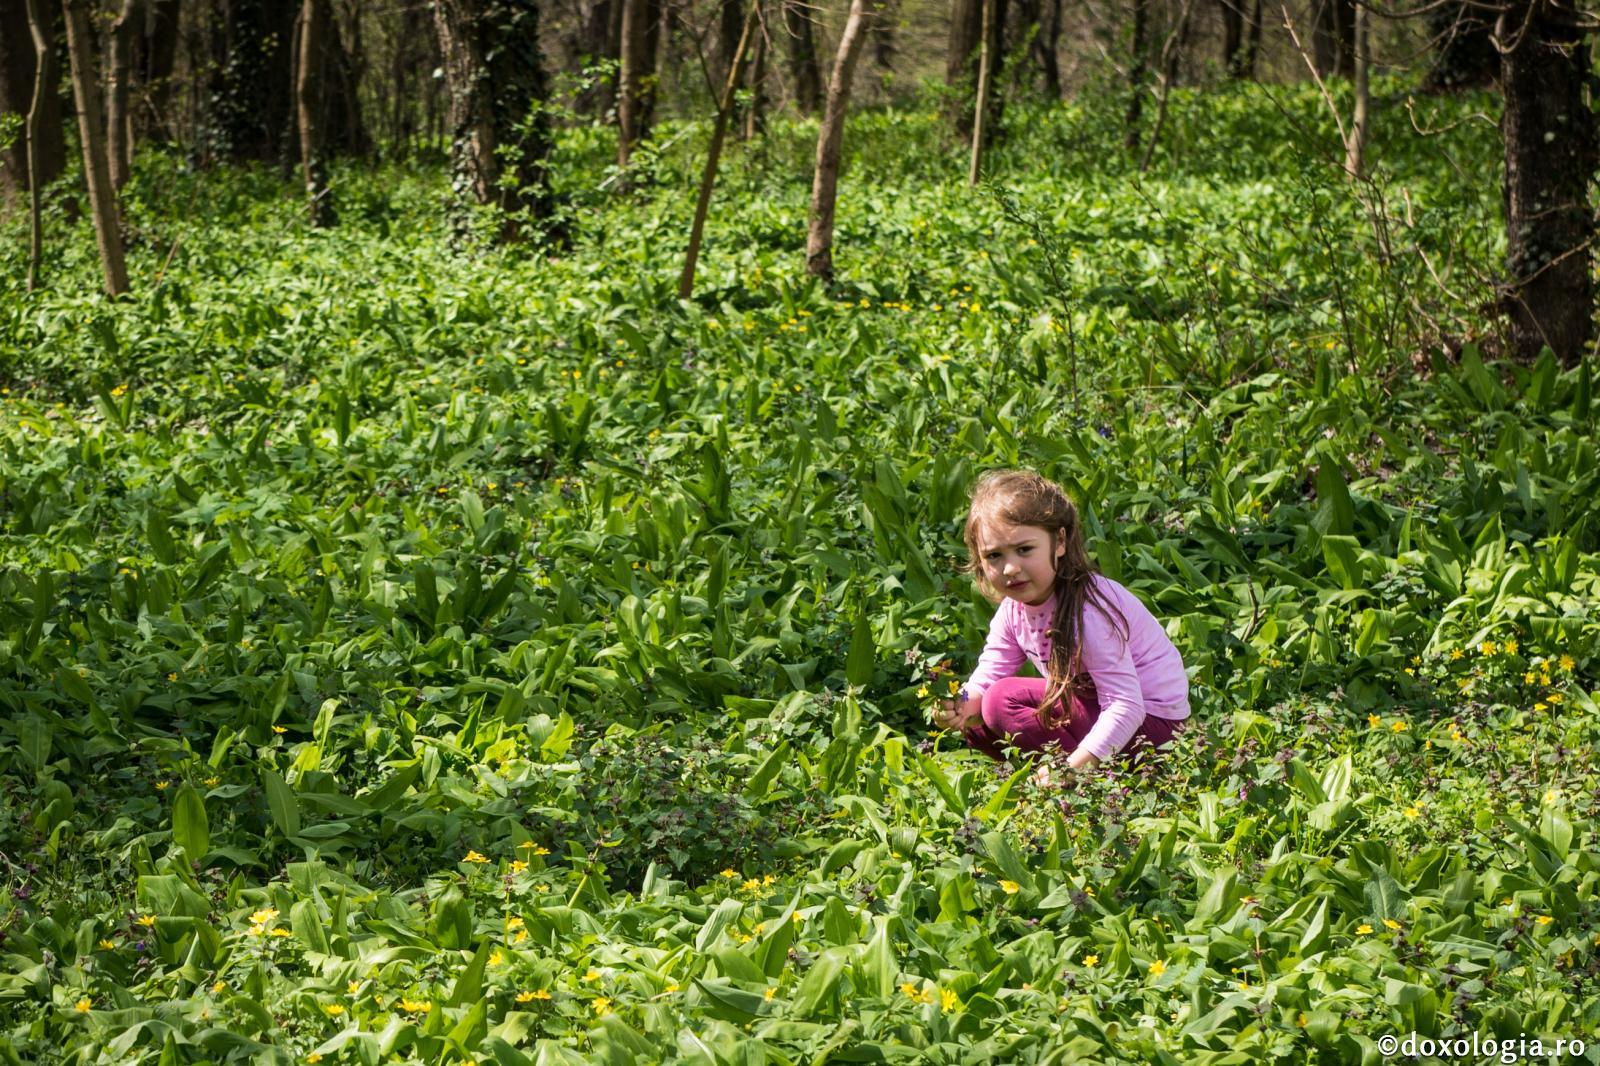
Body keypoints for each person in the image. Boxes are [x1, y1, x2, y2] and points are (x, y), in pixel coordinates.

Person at [932, 469, 1190, 774]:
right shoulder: (1013, 610)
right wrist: (959, 703)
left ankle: (1075, 779)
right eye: (994, 556)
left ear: (1059, 542)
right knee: (978, 721)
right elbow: (989, 673)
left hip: (1154, 727)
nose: (1010, 568)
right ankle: (1072, 776)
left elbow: (1127, 705)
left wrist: (1072, 769)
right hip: (1098, 711)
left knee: (1000, 701)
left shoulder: (1089, 611)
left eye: (1024, 549)